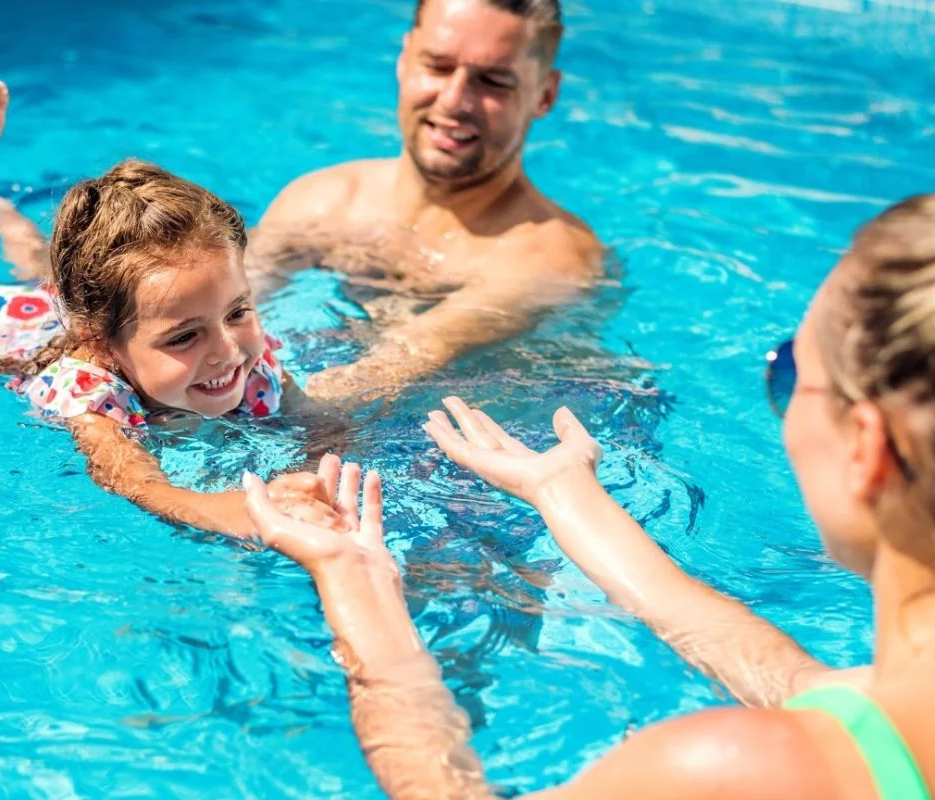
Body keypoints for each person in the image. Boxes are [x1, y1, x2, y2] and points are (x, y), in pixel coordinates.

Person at [243, 197, 935, 797]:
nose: (779, 394)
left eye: (787, 374)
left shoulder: (729, 769)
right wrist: (564, 493)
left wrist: (356, 583)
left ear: (866, 449)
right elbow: (811, 687)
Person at [0, 0, 605, 402]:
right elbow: (188, 302)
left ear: (545, 95)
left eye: (494, 81)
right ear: (403, 60)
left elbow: (391, 372)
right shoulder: (326, 199)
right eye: (438, 67)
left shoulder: (544, 259)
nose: (454, 100)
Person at [0, 79, 331, 539]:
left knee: (48, 265)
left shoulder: (245, 351)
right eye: (184, 337)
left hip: (100, 303)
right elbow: (137, 483)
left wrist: (313, 483)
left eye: (237, 311)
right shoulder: (89, 390)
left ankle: (10, 224)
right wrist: (231, 510)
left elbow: (322, 429)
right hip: (21, 327)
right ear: (100, 342)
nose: (228, 351)